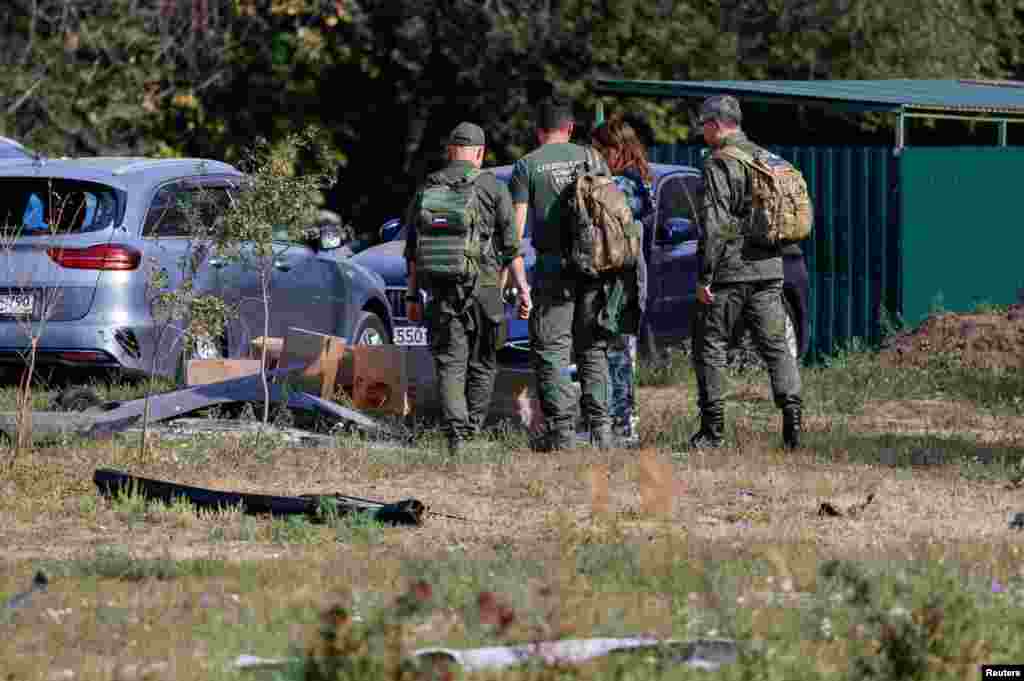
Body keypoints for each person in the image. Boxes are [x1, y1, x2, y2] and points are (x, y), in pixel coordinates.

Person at [404, 122, 532, 455]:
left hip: (442, 293)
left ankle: (456, 437)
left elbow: (413, 253)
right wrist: (524, 290)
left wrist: (411, 295)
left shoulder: (428, 187)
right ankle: (471, 430)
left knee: (450, 363)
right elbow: (511, 248)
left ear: (450, 151)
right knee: (484, 363)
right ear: (479, 153)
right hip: (486, 292)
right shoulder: (493, 187)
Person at [690, 95, 803, 450]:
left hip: (730, 272)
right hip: (770, 269)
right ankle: (793, 419)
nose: (703, 132)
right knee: (776, 347)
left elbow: (716, 223)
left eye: (704, 125)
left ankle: (713, 431)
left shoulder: (719, 162)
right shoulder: (764, 158)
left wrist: (705, 275)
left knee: (711, 346)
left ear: (716, 124)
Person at [510, 95, 614, 452]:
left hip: (554, 269)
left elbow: (516, 232)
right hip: (597, 267)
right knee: (593, 348)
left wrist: (517, 280)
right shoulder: (593, 158)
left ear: (539, 132)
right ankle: (602, 432)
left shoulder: (527, 166)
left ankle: (563, 435)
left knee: (552, 351)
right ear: (570, 128)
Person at [590, 114, 654, 447]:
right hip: (630, 280)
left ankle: (622, 426)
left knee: (616, 355)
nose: (595, 156)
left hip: (619, 282)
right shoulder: (639, 182)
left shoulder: (622, 186)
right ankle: (621, 423)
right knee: (620, 353)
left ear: (615, 149)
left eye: (599, 149)